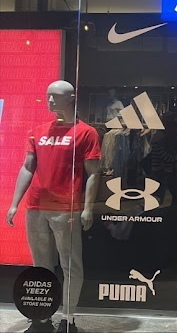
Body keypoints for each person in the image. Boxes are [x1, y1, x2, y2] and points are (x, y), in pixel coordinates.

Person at [6, 81, 102, 333]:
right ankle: (41, 317)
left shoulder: (86, 132)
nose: (50, 100)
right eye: (48, 96)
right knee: (40, 266)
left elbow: (93, 172)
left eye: (56, 96)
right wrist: (15, 203)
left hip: (66, 208)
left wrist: (87, 207)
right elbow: (28, 167)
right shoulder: (37, 131)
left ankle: (68, 317)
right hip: (36, 206)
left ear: (71, 98)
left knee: (71, 264)